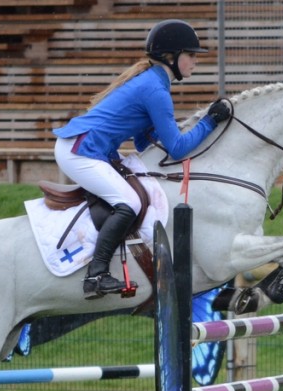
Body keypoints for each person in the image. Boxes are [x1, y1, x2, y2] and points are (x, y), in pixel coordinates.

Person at [53, 19, 232, 299]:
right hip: (80, 152)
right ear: (171, 57)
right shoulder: (155, 89)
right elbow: (176, 148)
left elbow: (142, 141)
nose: (196, 62)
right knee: (130, 202)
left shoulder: (154, 83)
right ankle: (96, 274)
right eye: (191, 55)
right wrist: (209, 121)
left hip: (85, 147)